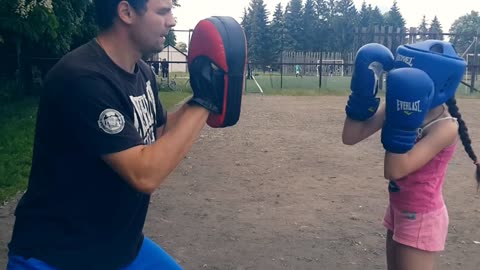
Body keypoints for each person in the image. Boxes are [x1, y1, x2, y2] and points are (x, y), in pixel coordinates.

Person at [5, 0, 226, 269]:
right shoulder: (82, 78)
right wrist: (206, 102)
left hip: (117, 248)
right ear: (126, 12)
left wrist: (199, 97)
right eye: (162, 11)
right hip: (57, 255)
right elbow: (144, 173)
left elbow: (160, 131)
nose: (172, 21)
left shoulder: (142, 72)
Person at [342, 41, 479, 270]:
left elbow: (394, 169)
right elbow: (351, 136)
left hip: (422, 217)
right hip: (398, 208)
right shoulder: (399, 104)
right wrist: (362, 97)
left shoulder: (445, 127)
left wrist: (401, 122)